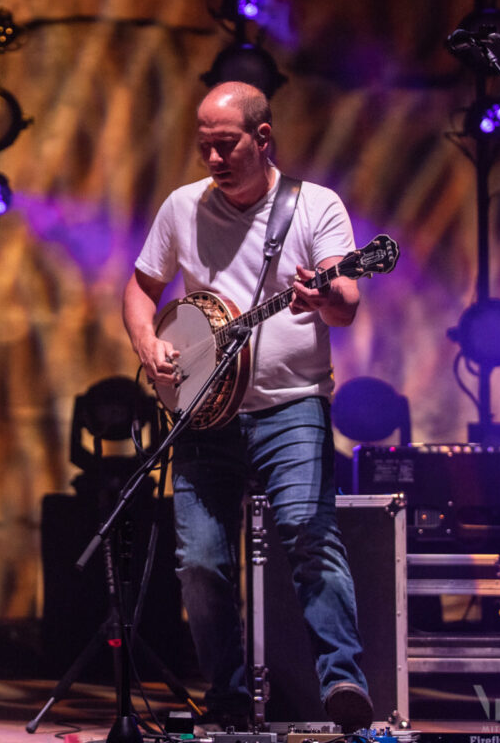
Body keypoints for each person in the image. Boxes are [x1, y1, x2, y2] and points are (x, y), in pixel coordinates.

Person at [121, 81, 374, 732]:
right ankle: (229, 700)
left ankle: (342, 680)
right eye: (203, 146)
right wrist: (149, 344)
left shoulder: (315, 206)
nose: (211, 159)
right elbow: (140, 287)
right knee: (200, 561)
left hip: (292, 407)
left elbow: (346, 303)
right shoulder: (183, 207)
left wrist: (320, 296)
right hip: (204, 410)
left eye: (225, 144)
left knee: (306, 532)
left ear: (263, 139)